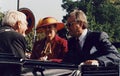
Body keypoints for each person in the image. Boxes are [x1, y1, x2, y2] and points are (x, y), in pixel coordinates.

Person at [0, 10, 28, 76]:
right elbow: (20, 65)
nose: (26, 28)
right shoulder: (16, 37)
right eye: (26, 24)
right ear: (19, 24)